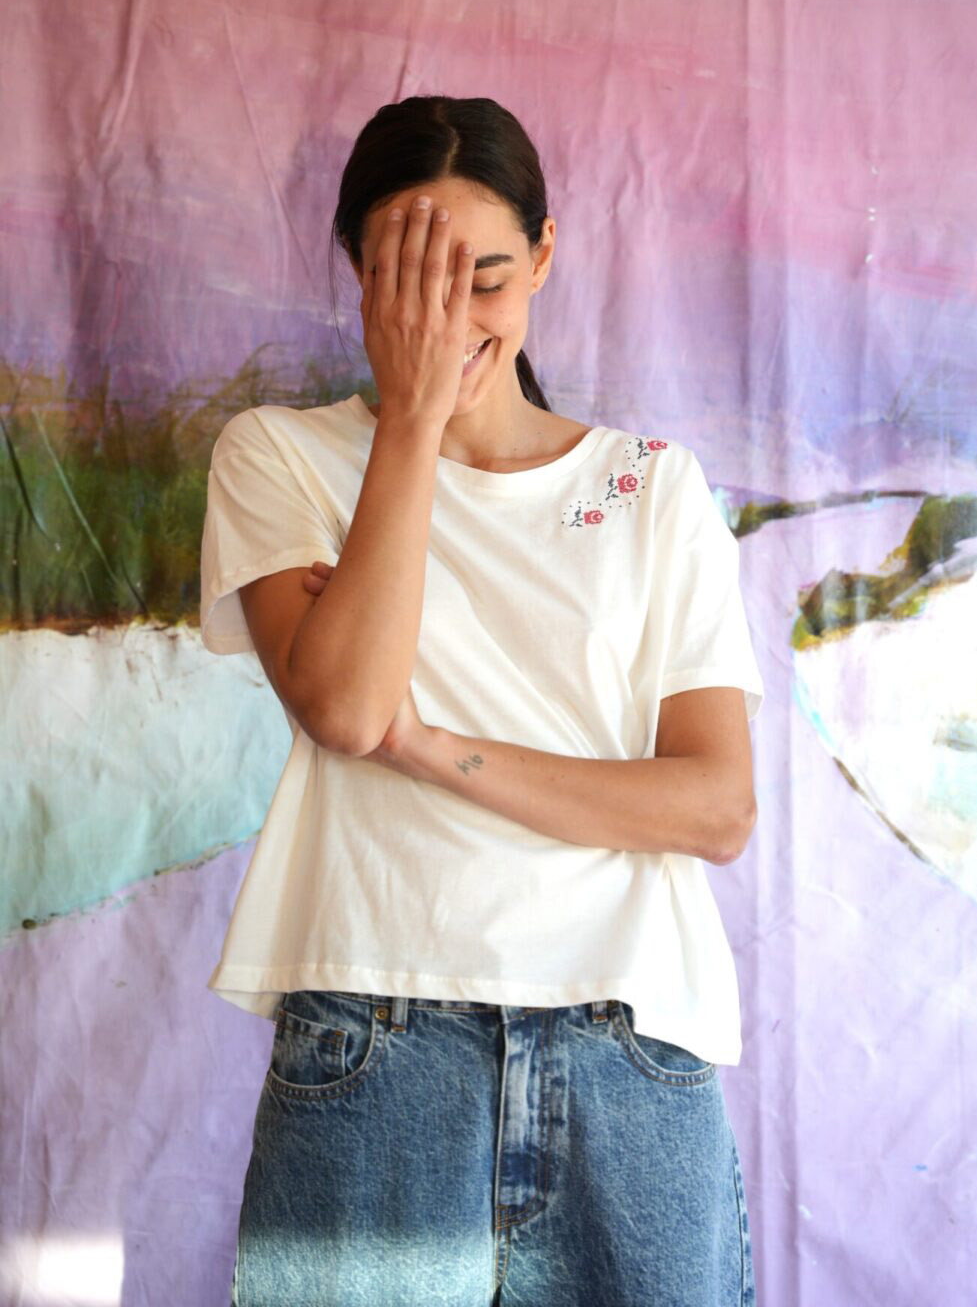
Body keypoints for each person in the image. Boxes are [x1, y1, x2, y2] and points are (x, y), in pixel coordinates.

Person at [199, 94, 764, 1305]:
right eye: (409, 284)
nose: (448, 322)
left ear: (545, 256)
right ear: (358, 278)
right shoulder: (278, 456)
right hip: (377, 1039)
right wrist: (410, 416)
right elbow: (345, 708)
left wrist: (428, 744)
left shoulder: (653, 489)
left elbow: (716, 807)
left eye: (486, 280)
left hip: (628, 1049)